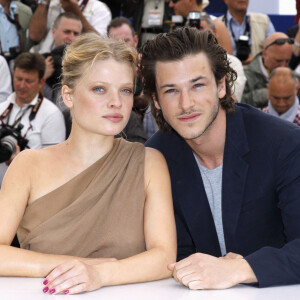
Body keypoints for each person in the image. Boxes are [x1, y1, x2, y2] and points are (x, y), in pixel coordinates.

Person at [0, 32, 176, 295]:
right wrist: (76, 267)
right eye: (99, 89)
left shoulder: (148, 163)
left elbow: (164, 258)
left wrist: (99, 274)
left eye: (125, 90)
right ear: (69, 96)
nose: (116, 102)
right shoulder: (28, 165)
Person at [140, 27, 300, 289]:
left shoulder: (284, 144)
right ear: (156, 100)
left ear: (222, 85)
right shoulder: (157, 157)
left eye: (198, 85)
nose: (185, 103)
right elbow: (170, 256)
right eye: (170, 91)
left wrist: (241, 268)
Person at [0, 52, 66, 184]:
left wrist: (23, 163)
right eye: (19, 79)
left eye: (29, 81)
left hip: (31, 193)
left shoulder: (51, 115)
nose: (22, 85)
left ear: (41, 82)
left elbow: (55, 166)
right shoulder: (2, 108)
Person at [196, 12, 246, 102]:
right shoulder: (183, 65)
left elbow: (233, 100)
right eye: (193, 30)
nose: (198, 35)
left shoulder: (233, 63)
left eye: (201, 28)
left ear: (215, 32)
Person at [242, 32, 294, 108]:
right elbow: (236, 104)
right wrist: (266, 94)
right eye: (278, 61)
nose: (283, 66)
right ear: (264, 54)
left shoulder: (295, 78)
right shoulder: (244, 75)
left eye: (287, 61)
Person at [28, 0, 111, 44]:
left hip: (78, 64)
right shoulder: (50, 3)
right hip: (46, 61)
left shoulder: (99, 9)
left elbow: (99, 44)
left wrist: (76, 12)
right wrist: (44, 2)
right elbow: (35, 36)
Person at [220, 0, 275, 65]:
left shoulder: (264, 21)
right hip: (228, 71)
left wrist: (257, 61)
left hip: (257, 72)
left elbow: (275, 51)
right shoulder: (216, 25)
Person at [169, 0, 233, 54]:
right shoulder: (176, 26)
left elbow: (229, 62)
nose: (170, 5)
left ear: (191, 1)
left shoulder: (216, 24)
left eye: (175, 0)